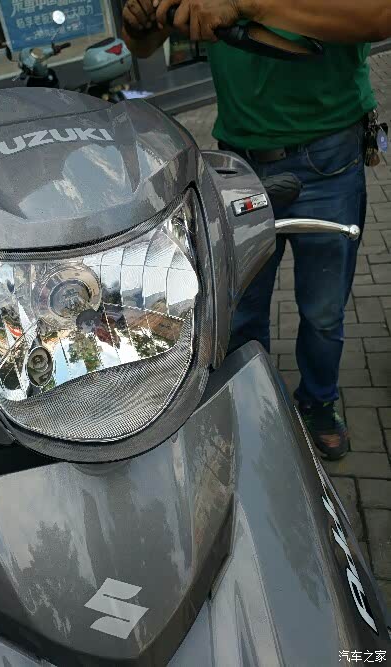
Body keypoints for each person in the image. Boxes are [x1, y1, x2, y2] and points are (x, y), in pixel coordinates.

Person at [122, 0, 391, 460]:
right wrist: (142, 23)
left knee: (323, 312)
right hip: (240, 161)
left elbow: (379, 15)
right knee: (241, 309)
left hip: (327, 158)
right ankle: (250, 405)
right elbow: (145, 44)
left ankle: (318, 403)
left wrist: (246, 4)